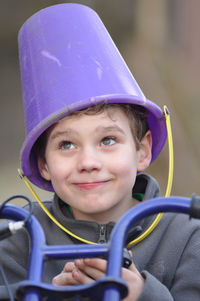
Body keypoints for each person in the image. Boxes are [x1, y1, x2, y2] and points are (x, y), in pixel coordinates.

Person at [0, 3, 200, 301]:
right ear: (43, 164)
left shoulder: (187, 235)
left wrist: (142, 296)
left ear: (142, 151)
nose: (88, 162)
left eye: (107, 140)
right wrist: (43, 294)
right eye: (66, 145)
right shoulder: (18, 237)